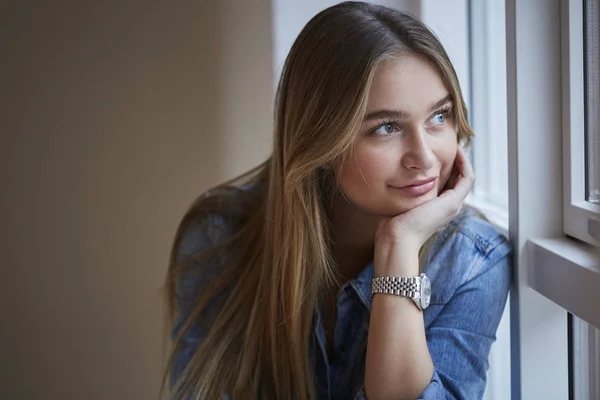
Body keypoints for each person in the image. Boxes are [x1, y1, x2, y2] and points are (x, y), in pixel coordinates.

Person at [163, 2, 512, 399]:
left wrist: (399, 246)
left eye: (439, 116)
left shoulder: (473, 261)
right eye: (386, 127)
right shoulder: (220, 235)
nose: (425, 157)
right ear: (321, 140)